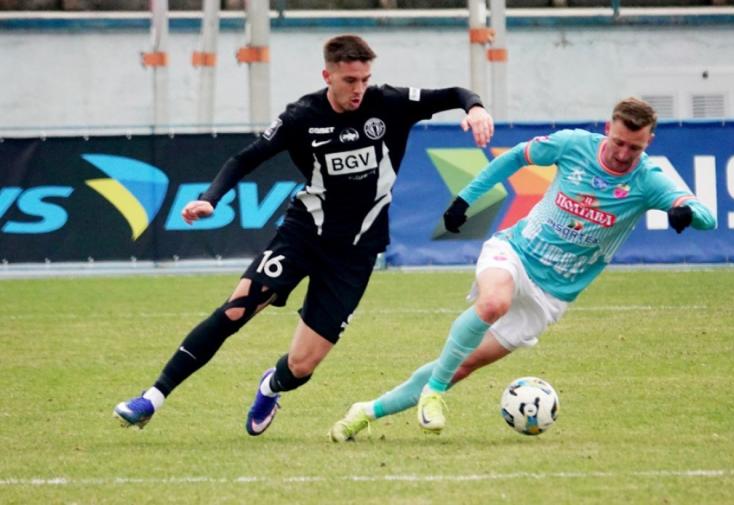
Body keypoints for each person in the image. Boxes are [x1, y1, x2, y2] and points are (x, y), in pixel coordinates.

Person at [113, 34, 494, 435]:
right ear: (327, 76)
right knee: (236, 309)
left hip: (356, 253)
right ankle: (151, 398)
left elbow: (455, 93)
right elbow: (245, 159)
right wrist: (210, 199)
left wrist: (476, 108)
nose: (359, 89)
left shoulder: (389, 102)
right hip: (304, 234)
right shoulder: (301, 117)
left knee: (301, 366)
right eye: (349, 80)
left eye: (364, 79)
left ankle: (270, 386)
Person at [329, 96, 716, 441]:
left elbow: (705, 217)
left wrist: (685, 212)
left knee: (460, 366)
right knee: (492, 303)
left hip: (550, 295)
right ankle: (433, 393)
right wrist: (466, 199)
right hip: (515, 252)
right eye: (618, 142)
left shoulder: (648, 180)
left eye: (634, 147)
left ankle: (367, 411)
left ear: (649, 142)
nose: (622, 153)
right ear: (607, 130)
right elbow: (516, 157)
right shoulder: (574, 145)